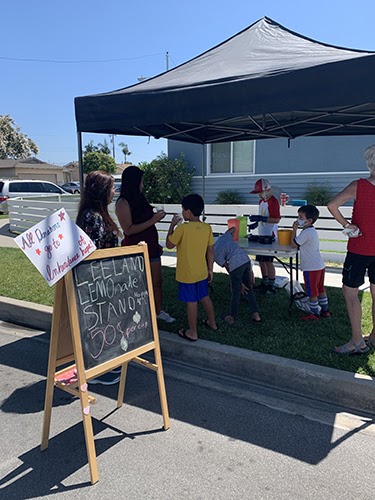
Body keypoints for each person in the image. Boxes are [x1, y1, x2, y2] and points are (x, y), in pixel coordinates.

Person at [327, 144, 375, 355]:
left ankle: (357, 341)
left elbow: (332, 205)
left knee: (350, 293)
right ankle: (373, 336)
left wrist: (348, 225)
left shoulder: (359, 185)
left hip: (359, 249)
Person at [76, 170, 122, 385]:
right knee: (98, 326)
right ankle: (96, 371)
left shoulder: (96, 214)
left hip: (104, 283)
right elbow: (90, 256)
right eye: (112, 188)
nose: (114, 192)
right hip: (97, 284)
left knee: (104, 325)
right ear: (102, 191)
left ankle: (100, 367)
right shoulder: (92, 217)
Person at [115, 166, 175, 323]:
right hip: (135, 249)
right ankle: (138, 313)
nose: (143, 185)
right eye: (141, 181)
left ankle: (158, 310)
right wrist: (153, 220)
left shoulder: (141, 198)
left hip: (152, 248)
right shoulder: (122, 203)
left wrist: (155, 217)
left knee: (157, 282)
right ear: (134, 182)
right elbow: (128, 230)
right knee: (137, 285)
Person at [166, 193, 218, 341]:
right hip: (202, 272)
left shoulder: (183, 228)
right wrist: (210, 269)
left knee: (192, 302)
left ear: (188, 212)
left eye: (183, 209)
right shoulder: (207, 228)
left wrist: (172, 225)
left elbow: (169, 245)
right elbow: (211, 251)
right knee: (204, 296)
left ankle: (192, 332)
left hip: (186, 274)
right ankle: (212, 323)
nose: (182, 212)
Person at [291, 205, 331, 321]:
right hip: (319, 265)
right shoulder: (310, 231)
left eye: (300, 217)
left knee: (312, 291)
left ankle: (314, 314)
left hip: (311, 267)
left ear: (309, 220)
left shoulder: (306, 232)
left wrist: (294, 229)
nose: (298, 219)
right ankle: (325, 310)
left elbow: (294, 244)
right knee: (320, 289)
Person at [214, 227, 261, 325]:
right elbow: (233, 228)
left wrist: (239, 283)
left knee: (236, 291)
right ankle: (256, 314)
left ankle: (232, 316)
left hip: (235, 264)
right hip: (245, 259)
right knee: (249, 289)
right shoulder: (223, 237)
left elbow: (229, 268)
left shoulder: (215, 255)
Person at [249, 178, 281, 294]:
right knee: (261, 260)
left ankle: (271, 285)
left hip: (270, 234)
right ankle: (265, 282)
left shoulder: (273, 201)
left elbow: (276, 219)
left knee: (268, 261)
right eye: (258, 193)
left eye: (261, 192)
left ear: (268, 190)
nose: (260, 195)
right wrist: (256, 223)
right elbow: (262, 215)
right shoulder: (261, 202)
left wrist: (261, 219)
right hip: (262, 233)